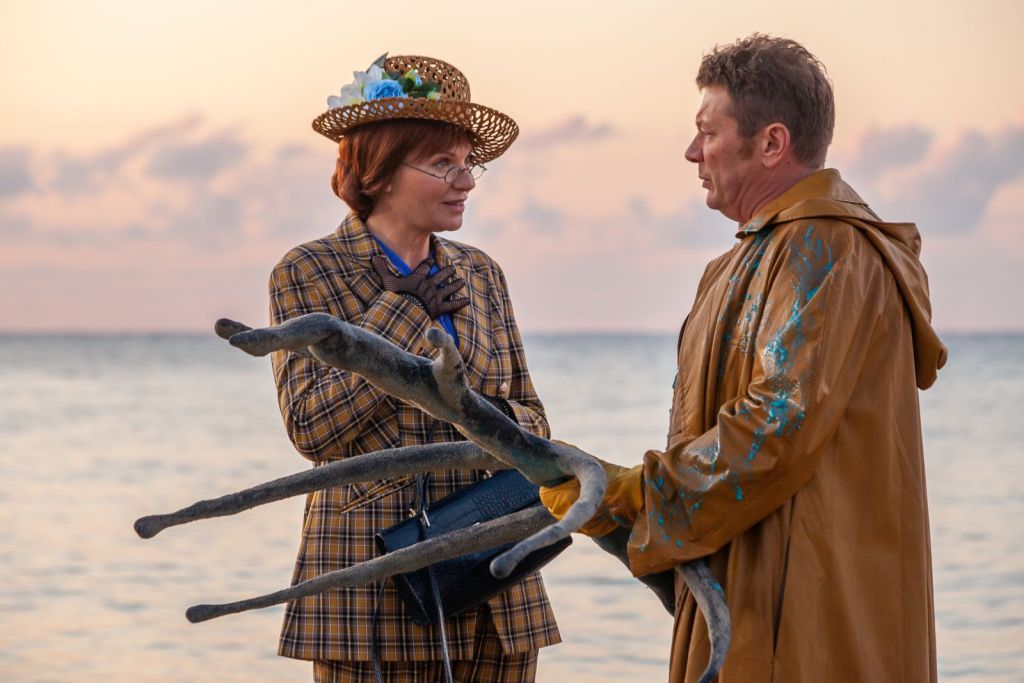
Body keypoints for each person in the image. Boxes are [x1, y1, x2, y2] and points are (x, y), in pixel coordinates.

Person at [541, 34, 947, 682]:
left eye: (708, 132)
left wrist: (638, 496)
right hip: (749, 591)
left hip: (804, 615)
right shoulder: (753, 257)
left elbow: (775, 425)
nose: (692, 151)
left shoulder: (825, 248)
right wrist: (624, 502)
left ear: (772, 143)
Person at [270, 54, 560, 682]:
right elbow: (311, 429)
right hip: (373, 588)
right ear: (379, 173)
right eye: (443, 164)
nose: (467, 181)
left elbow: (535, 418)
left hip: (497, 577)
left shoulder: (480, 272)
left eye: (470, 163)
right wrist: (403, 312)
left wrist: (481, 417)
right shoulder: (308, 271)